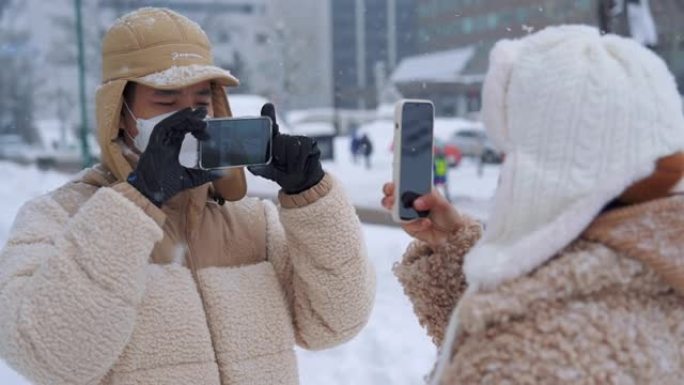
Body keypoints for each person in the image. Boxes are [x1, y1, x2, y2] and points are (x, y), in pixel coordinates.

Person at [0, 7, 375, 385]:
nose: (188, 118)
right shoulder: (59, 216)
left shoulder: (252, 224)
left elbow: (334, 322)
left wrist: (310, 195)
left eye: (200, 100)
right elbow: (50, 356)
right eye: (165, 100)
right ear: (120, 113)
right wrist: (139, 199)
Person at [383, 25, 684, 384]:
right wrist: (453, 249)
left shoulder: (524, 359)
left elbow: (526, 342)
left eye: (510, 152)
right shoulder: (656, 279)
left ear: (544, 168)